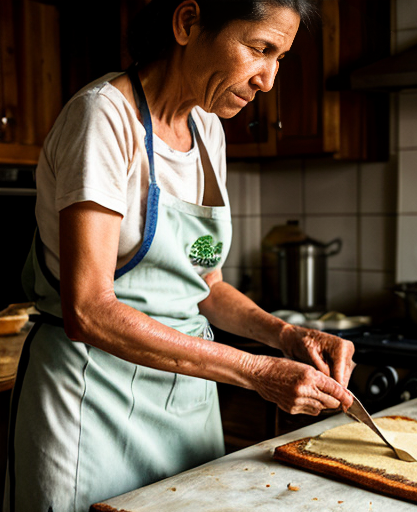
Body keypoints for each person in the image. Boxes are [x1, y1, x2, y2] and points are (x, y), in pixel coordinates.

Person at [4, 1, 355, 510]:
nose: (268, 81)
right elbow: (89, 310)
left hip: (185, 403)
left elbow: (204, 287)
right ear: (188, 23)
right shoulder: (104, 116)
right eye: (260, 49)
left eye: (281, 59)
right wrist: (255, 371)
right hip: (90, 400)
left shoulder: (207, 129)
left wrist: (284, 334)